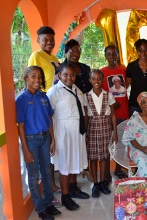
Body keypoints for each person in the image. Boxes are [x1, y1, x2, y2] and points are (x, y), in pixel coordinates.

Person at [16, 66, 61, 220]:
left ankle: (49, 204)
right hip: (31, 141)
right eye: (33, 76)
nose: (37, 80)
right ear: (26, 79)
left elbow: (49, 119)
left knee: (47, 173)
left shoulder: (43, 97)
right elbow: (20, 126)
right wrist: (26, 149)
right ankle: (40, 208)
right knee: (34, 176)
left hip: (45, 138)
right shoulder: (21, 100)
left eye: (40, 77)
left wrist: (52, 139)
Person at [46, 63, 89, 211]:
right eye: (65, 75)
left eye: (72, 75)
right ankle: (65, 196)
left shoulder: (76, 89)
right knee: (65, 163)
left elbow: (82, 109)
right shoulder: (54, 92)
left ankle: (72, 188)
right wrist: (52, 138)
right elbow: (48, 116)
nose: (69, 78)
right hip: (62, 132)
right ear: (59, 75)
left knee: (73, 160)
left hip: (76, 132)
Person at [28, 26, 60, 197]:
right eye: (45, 39)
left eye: (51, 39)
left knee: (51, 144)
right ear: (38, 40)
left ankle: (52, 182)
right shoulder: (36, 56)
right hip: (42, 102)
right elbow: (33, 78)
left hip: (54, 102)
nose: (49, 42)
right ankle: (50, 184)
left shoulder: (54, 58)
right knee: (46, 143)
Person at [62, 39, 93, 185]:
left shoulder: (85, 68)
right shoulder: (61, 69)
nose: (76, 53)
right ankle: (71, 180)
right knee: (70, 149)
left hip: (86, 107)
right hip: (69, 115)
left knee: (86, 139)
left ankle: (84, 167)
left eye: (78, 51)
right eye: (72, 51)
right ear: (66, 52)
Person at [83, 69, 118, 198]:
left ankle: (103, 182)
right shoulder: (86, 96)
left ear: (103, 80)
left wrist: (114, 132)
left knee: (103, 156)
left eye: (99, 79)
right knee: (92, 157)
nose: (96, 81)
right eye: (94, 79)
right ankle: (95, 183)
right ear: (90, 80)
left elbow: (113, 115)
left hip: (105, 128)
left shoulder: (108, 95)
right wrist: (85, 132)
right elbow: (86, 116)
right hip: (92, 128)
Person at [100, 45, 129, 182]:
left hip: (123, 111)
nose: (112, 57)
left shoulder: (123, 71)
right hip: (107, 113)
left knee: (121, 142)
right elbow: (99, 93)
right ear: (106, 56)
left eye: (114, 54)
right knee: (107, 142)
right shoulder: (102, 72)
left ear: (118, 55)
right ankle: (105, 173)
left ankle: (118, 169)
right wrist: (109, 104)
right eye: (109, 54)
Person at [126, 39, 147, 116]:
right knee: (135, 127)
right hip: (135, 105)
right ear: (136, 51)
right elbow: (127, 85)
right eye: (140, 50)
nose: (143, 53)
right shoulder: (131, 66)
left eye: (146, 50)